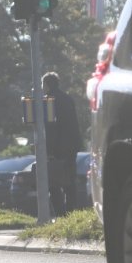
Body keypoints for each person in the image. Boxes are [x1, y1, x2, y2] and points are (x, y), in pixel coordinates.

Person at [42, 71, 81, 215]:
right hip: (73, 145)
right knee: (70, 180)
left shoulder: (49, 100)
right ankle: (72, 211)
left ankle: (60, 214)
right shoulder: (68, 99)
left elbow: (51, 126)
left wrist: (48, 149)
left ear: (46, 85)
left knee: (54, 182)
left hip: (58, 147)